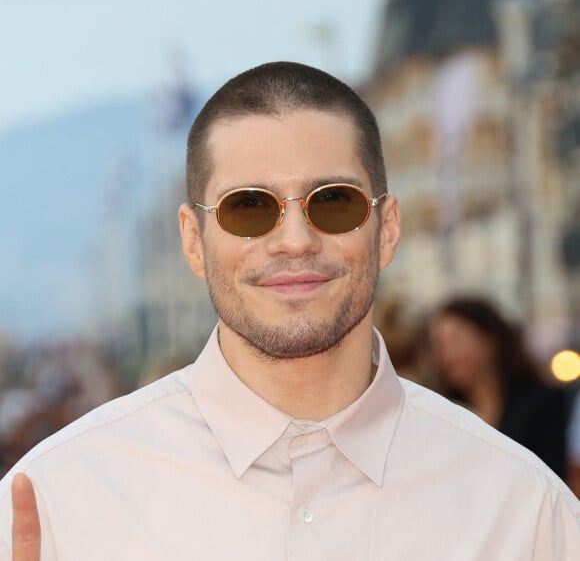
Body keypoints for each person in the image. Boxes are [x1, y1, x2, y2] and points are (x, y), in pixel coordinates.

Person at [0, 61, 578, 560]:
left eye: (333, 202)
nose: (295, 239)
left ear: (388, 227)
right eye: (248, 207)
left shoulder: (523, 509)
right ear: (194, 241)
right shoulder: (57, 501)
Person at [428, 296, 573, 481]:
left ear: (489, 338)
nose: (448, 354)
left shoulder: (541, 403)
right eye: (440, 345)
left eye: (456, 339)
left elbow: (552, 474)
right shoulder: (443, 412)